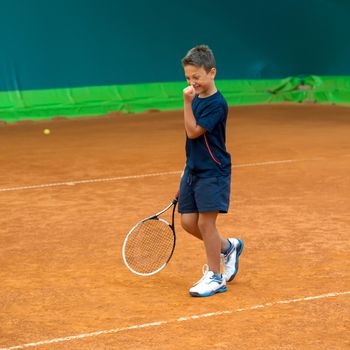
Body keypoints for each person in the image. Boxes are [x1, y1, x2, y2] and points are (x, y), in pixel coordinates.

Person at [178, 45, 244, 297]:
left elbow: (193, 131)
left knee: (206, 223)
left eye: (196, 77)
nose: (192, 83)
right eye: (187, 78)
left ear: (212, 72)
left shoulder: (217, 104)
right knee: (187, 222)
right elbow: (191, 144)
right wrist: (184, 173)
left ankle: (216, 278)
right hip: (193, 170)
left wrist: (186, 102)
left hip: (213, 171)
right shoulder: (195, 99)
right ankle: (228, 247)